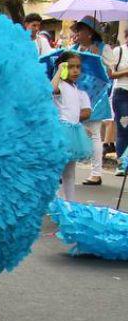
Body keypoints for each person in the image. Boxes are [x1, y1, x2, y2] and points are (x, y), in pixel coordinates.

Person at [70, 16, 112, 186]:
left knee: (95, 134)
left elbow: (109, 73)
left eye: (80, 30)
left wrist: (98, 59)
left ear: (90, 32)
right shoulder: (73, 49)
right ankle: (66, 171)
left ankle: (96, 173)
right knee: (70, 131)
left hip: (96, 97)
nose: (77, 33)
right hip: (75, 97)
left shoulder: (103, 49)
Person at [52, 50, 91, 202]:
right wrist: (60, 70)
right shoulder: (60, 85)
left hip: (74, 132)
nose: (75, 70)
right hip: (62, 133)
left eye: (78, 67)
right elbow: (50, 90)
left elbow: (74, 112)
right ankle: (55, 203)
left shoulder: (76, 89)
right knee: (57, 170)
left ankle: (71, 203)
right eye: (71, 67)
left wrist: (81, 126)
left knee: (69, 172)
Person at [104, 34, 128, 177]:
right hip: (122, 94)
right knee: (124, 128)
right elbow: (111, 74)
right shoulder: (119, 51)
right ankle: (121, 164)